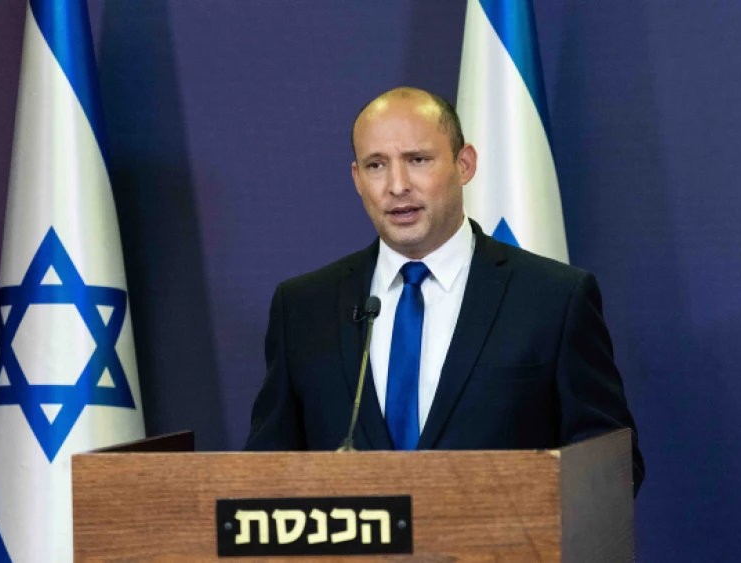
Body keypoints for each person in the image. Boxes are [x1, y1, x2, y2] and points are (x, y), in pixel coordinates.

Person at [245, 87, 645, 494]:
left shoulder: (554, 299)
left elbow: (610, 467)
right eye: (376, 165)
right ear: (357, 180)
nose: (397, 186)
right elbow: (264, 475)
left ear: (464, 164)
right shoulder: (302, 308)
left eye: (417, 160)